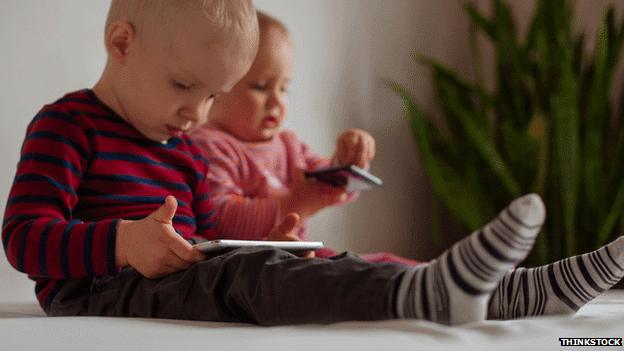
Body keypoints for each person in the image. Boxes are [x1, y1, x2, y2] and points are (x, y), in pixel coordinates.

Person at [2, 0, 624, 326]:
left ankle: (519, 293)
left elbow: (204, 229)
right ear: (121, 44)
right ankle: (424, 295)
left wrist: (262, 234)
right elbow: (23, 239)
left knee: (307, 261)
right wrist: (121, 243)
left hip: (170, 276)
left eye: (214, 95)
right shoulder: (67, 125)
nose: (197, 113)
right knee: (251, 280)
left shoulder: (183, 147)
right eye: (184, 85)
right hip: (99, 290)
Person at [190, 11, 417, 265]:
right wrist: (295, 202)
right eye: (261, 86)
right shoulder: (210, 145)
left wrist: (348, 160)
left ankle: (435, 283)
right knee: (355, 275)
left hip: (296, 258)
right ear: (218, 89)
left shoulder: (289, 145)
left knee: (385, 264)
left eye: (284, 87)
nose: (276, 101)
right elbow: (222, 220)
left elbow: (328, 183)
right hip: (249, 268)